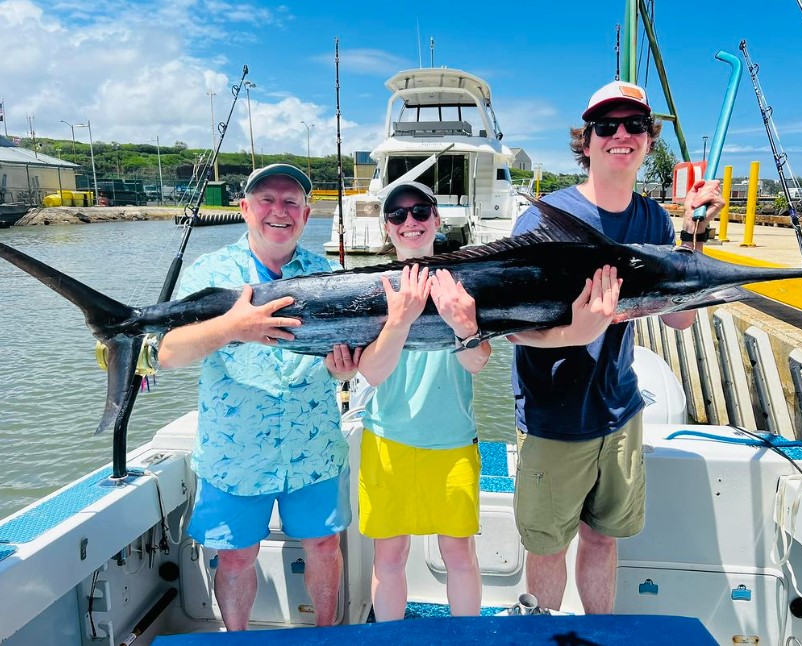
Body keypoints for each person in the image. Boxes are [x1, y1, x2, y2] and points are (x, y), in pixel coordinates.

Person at [508, 81, 726, 614]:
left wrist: (694, 241)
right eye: (606, 126)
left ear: (649, 141)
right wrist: (572, 335)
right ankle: (544, 634)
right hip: (554, 418)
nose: (620, 135)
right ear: (586, 141)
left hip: (620, 410)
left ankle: (599, 633)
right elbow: (505, 325)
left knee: (604, 538)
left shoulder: (653, 219)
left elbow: (678, 318)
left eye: (634, 125)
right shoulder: (542, 221)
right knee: (549, 546)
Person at [157, 163, 362, 630]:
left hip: (313, 444)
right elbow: (167, 353)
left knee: (325, 546)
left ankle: (325, 636)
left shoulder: (326, 274)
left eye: (291, 202)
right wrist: (234, 327)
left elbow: (335, 358)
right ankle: (237, 640)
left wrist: (340, 368)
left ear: (307, 215)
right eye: (266, 200)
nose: (279, 211)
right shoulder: (210, 273)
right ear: (245, 208)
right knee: (234, 559)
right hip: (235, 450)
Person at [356, 181, 492, 620]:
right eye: (397, 214)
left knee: (459, 555)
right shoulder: (370, 287)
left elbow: (477, 363)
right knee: (389, 557)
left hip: (452, 440)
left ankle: (465, 638)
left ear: (436, 219)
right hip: (387, 441)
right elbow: (372, 372)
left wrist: (464, 325)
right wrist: (399, 321)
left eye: (419, 212)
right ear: (387, 228)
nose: (409, 222)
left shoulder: (464, 283)